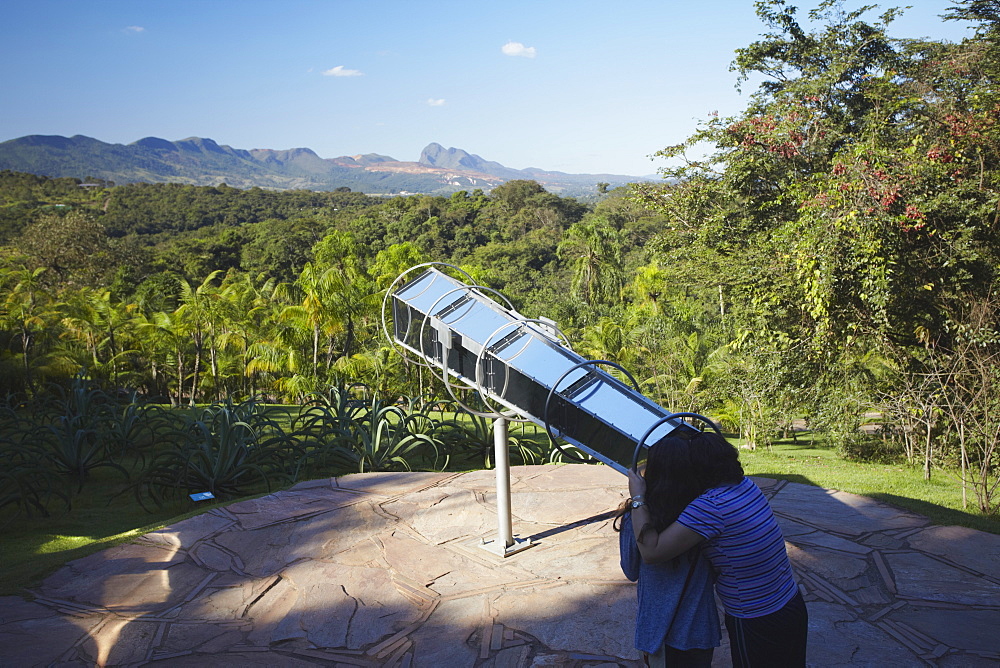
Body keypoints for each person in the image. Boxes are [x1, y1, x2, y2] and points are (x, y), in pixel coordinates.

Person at [626, 427, 808, 667]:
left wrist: (638, 496)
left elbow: (651, 552)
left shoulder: (711, 507)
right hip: (790, 603)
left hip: (756, 617)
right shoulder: (745, 486)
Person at [616, 487, 721, 667]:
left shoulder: (635, 517)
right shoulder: (704, 511)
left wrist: (637, 501)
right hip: (700, 625)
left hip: (658, 630)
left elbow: (630, 570)